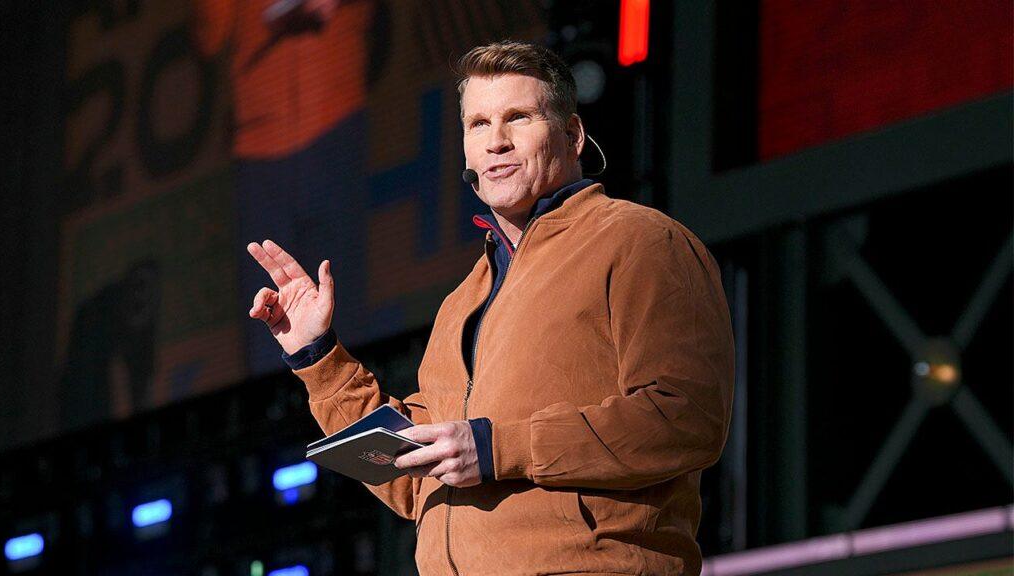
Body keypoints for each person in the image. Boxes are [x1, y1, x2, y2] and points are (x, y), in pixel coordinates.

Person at [246, 41, 734, 576]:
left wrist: (497, 447)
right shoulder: (461, 302)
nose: (496, 141)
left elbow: (686, 417)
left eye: (518, 117)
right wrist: (318, 356)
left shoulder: (641, 241)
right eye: (478, 124)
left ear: (572, 135)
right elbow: (413, 481)